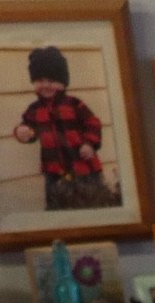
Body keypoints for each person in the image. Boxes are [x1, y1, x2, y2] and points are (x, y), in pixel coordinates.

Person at [12, 44, 117, 211]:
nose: (46, 85)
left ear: (63, 82)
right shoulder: (34, 109)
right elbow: (29, 129)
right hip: (54, 171)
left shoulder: (74, 104)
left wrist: (89, 144)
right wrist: (21, 132)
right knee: (56, 206)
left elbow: (93, 123)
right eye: (40, 81)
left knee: (90, 203)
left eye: (51, 80)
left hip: (83, 168)